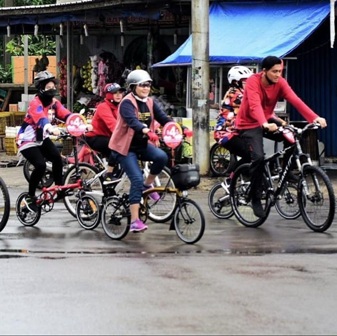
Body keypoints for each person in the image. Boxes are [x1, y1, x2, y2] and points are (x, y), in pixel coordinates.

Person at [235, 55, 327, 218]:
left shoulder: (280, 83)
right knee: (258, 157)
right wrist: (264, 123)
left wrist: (314, 117)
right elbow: (255, 105)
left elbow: (296, 100)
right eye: (275, 72)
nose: (278, 75)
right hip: (248, 124)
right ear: (264, 72)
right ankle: (255, 197)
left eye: (281, 71)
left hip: (267, 120)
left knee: (292, 137)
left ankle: (287, 171)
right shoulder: (252, 82)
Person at [109, 69, 191, 233]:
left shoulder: (150, 102)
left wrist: (179, 127)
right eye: (142, 85)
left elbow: (164, 118)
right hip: (125, 148)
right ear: (133, 87)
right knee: (136, 180)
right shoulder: (126, 103)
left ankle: (148, 185)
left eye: (148, 85)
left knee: (161, 157)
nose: (146, 88)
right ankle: (134, 220)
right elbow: (132, 122)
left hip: (142, 145)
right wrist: (147, 131)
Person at [16, 71, 73, 212]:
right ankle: (30, 196)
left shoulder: (54, 103)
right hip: (27, 140)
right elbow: (41, 119)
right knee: (40, 165)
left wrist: (78, 122)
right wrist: (51, 128)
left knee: (57, 159)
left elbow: (66, 114)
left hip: (42, 138)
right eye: (48, 87)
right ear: (41, 88)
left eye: (53, 86)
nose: (52, 89)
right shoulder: (35, 103)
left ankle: (59, 189)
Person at [215, 66, 252, 189]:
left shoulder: (243, 93)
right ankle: (230, 181)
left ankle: (246, 179)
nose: (248, 83)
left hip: (238, 131)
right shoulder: (234, 94)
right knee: (249, 154)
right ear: (236, 82)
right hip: (226, 133)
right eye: (245, 81)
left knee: (255, 153)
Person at [85, 82, 126, 182]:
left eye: (120, 93)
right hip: (94, 137)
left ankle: (113, 180)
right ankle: (108, 173)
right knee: (116, 146)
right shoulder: (103, 107)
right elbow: (113, 125)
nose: (118, 95)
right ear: (108, 95)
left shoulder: (120, 106)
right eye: (115, 93)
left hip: (108, 137)